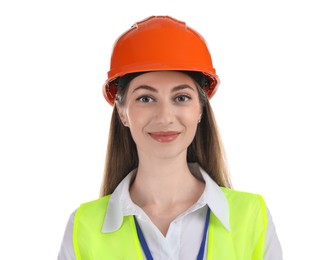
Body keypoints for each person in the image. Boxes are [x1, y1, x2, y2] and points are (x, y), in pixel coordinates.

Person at [58, 15, 283, 259]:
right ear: (122, 112)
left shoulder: (251, 217)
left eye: (181, 97)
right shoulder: (85, 228)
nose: (165, 116)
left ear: (200, 109)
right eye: (145, 98)